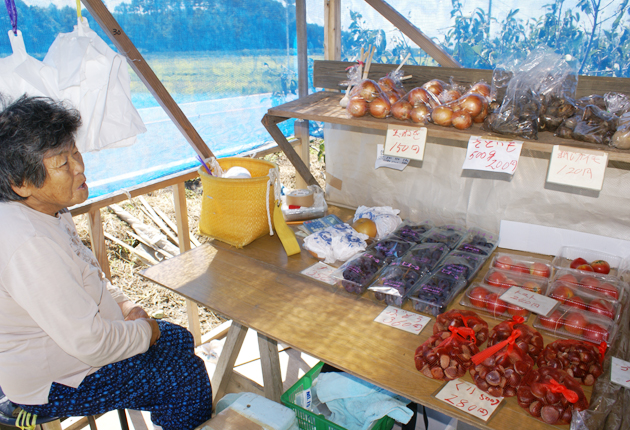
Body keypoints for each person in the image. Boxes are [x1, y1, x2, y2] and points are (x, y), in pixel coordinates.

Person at [0, 95, 213, 430]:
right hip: (56, 382)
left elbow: (87, 271)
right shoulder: (29, 244)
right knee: (185, 376)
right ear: (21, 184)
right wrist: (147, 330)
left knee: (181, 339)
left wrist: (126, 306)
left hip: (81, 350)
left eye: (75, 153)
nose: (79, 167)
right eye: (63, 163)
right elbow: (91, 344)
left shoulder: (50, 209)